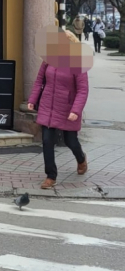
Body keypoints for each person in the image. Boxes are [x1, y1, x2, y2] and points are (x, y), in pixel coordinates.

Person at [26, 30, 89, 190]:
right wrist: (32, 100)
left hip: (68, 108)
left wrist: (76, 110)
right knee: (47, 141)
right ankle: (51, 176)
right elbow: (39, 80)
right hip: (48, 105)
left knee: (70, 141)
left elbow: (83, 90)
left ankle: (81, 159)